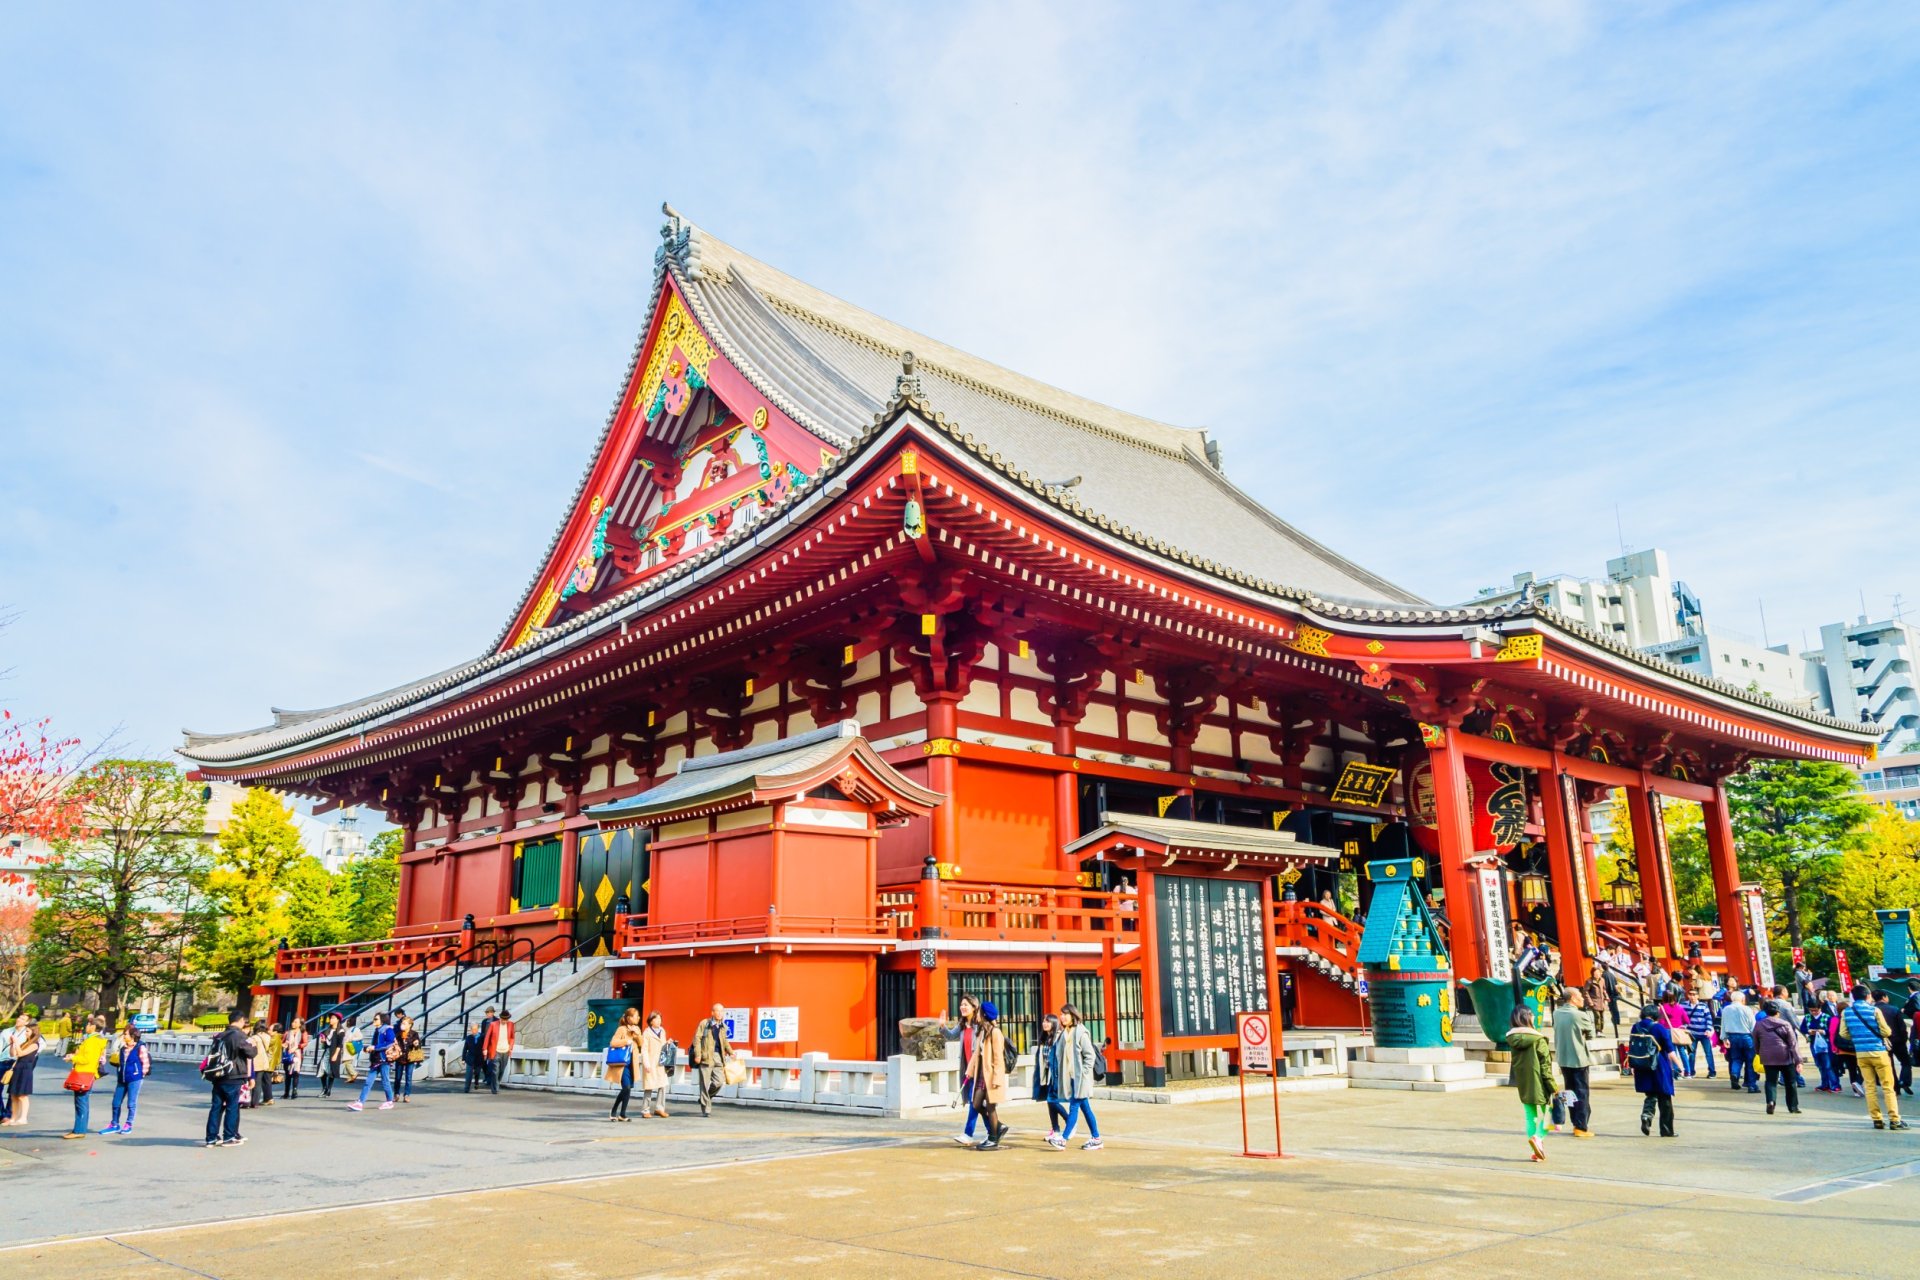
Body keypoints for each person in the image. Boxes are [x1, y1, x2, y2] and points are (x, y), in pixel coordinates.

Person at [1841, 985, 1906, 1130]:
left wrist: (1857, 1037)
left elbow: (1843, 1033)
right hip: (1878, 1052)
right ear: (1868, 996)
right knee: (1888, 1087)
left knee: (1870, 1087)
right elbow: (1886, 1031)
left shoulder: (1847, 1012)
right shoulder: (1874, 1010)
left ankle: (1877, 1119)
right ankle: (1894, 1120)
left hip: (1861, 1053)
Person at [1505, 1006, 1555, 1161]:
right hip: (1540, 1082)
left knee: (1530, 1116)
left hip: (1524, 1083)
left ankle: (1536, 1152)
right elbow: (1545, 1067)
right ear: (1527, 1017)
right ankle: (1538, 1138)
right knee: (1552, 1114)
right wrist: (1553, 1087)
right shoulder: (1538, 1039)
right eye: (1532, 1014)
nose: (1534, 1016)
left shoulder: (1512, 1039)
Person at [1050, 1003, 1102, 1151]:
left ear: (1073, 1015)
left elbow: (1090, 1056)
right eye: (1061, 1014)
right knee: (1086, 1108)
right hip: (1071, 1078)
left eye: (1065, 1014)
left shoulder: (1081, 1032)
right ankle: (1096, 1138)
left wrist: (1083, 1074)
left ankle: (1063, 1139)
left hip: (1080, 1079)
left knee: (1074, 1106)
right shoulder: (1065, 1033)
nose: (1062, 1017)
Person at [1628, 1002, 1681, 1138]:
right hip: (1659, 1065)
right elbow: (1670, 1050)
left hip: (1641, 1064)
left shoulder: (1635, 1027)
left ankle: (1646, 1116)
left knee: (1650, 1094)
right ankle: (1666, 1130)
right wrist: (1680, 1066)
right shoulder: (1659, 1028)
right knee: (1665, 1098)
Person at [206, 1011, 257, 1147]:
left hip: (218, 1074)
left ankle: (211, 1137)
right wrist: (253, 1045)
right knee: (232, 1106)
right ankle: (228, 1136)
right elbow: (251, 1053)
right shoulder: (239, 1035)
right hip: (234, 1074)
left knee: (216, 1107)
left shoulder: (220, 1035)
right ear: (240, 1021)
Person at [968, 1000, 1011, 1150]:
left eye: (979, 1012)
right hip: (982, 1075)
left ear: (984, 1014)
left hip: (992, 1076)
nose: (977, 1014)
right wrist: (970, 1071)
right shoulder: (982, 1031)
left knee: (991, 1107)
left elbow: (998, 1058)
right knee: (976, 1104)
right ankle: (998, 1126)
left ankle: (993, 1139)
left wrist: (997, 1079)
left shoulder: (995, 1032)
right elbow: (976, 1054)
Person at [1552, 988, 1594, 1138]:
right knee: (1582, 1092)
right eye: (1580, 996)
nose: (1583, 998)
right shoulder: (1580, 1015)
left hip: (1563, 1058)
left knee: (1569, 1091)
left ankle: (1575, 1122)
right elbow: (1591, 1034)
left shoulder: (1556, 1013)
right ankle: (1581, 1126)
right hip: (1578, 1058)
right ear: (1573, 998)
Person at [63, 1014, 110, 1140]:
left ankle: (79, 1130)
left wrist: (73, 1057)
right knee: (82, 1102)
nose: (86, 1026)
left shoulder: (92, 1041)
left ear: (93, 1026)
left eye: (88, 1024)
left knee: (81, 1102)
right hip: (87, 1072)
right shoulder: (95, 1040)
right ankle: (79, 1128)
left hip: (84, 1073)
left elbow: (87, 1059)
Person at [1754, 1000, 1803, 1116]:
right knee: (1790, 1082)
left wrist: (1759, 1052)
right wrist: (1798, 1060)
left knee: (1770, 1081)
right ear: (1778, 1012)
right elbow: (1793, 1044)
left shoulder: (1759, 1024)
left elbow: (1755, 1041)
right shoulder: (1785, 1024)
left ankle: (1771, 1101)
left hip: (1768, 1057)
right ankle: (1793, 1106)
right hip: (1785, 1056)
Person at [948, 995, 983, 1146]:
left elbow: (981, 1049)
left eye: (966, 1005)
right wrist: (942, 1026)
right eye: (961, 1004)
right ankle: (995, 1129)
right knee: (977, 1103)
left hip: (979, 1070)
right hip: (968, 1070)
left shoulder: (980, 1025)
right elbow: (951, 1036)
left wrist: (974, 1067)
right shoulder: (962, 1025)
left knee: (973, 1100)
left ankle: (968, 1134)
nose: (962, 1007)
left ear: (974, 1007)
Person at [103, 1024, 150, 1134]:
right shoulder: (123, 1048)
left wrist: (140, 1075)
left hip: (134, 1078)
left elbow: (145, 1063)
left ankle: (128, 1124)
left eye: (126, 1034)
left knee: (131, 1103)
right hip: (122, 1078)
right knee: (116, 1102)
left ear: (132, 1036)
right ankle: (114, 1123)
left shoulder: (140, 1048)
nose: (124, 1036)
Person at [691, 1003, 733, 1117]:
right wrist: (698, 1054)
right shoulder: (705, 1023)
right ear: (712, 1013)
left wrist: (731, 1052)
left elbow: (725, 1041)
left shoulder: (723, 1026)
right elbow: (697, 1039)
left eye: (721, 1011)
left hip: (718, 1057)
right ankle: (706, 1109)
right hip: (706, 1057)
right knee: (704, 1084)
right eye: (717, 1011)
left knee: (719, 1082)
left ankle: (705, 1098)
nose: (720, 1013)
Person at [350, 1012, 396, 1112]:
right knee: (368, 1081)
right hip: (375, 1059)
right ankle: (360, 1102)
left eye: (376, 1019)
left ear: (382, 1020)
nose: (373, 1021)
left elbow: (390, 1043)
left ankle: (389, 1101)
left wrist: (375, 1047)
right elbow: (375, 1044)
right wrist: (369, 1048)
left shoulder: (387, 1030)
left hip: (384, 1059)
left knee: (385, 1081)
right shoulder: (377, 1030)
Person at [1, 1013, 41, 1127]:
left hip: (25, 1069)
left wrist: (16, 1043)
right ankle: (13, 1118)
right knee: (13, 1094)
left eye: (28, 1031)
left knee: (22, 1095)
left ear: (33, 1032)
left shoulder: (34, 1044)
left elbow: (21, 1053)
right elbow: (13, 1054)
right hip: (17, 1067)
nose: (26, 1033)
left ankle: (23, 1118)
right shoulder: (24, 1042)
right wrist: (12, 1044)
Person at [1031, 1014, 1066, 1141]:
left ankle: (1069, 1121)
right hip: (1046, 1075)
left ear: (1054, 1023)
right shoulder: (1044, 1037)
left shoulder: (1059, 1037)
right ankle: (1055, 1129)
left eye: (1048, 1022)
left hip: (1055, 1074)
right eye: (1044, 1021)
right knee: (1049, 1102)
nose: (1044, 1024)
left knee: (1052, 1101)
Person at [1872, 990, 1913, 1096]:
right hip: (1898, 1041)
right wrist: (1904, 1039)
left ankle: (1895, 1088)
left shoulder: (1872, 1010)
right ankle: (1904, 1081)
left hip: (1882, 1042)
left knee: (1890, 1065)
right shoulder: (1894, 1009)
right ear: (1884, 997)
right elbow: (1902, 1027)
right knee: (1906, 1062)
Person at [1719, 990, 1759, 1094]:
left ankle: (1735, 1073)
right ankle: (1752, 1085)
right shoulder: (1747, 1009)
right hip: (1746, 1036)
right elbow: (1753, 1025)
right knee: (1750, 1061)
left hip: (1732, 1036)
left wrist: (1724, 1038)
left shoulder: (1726, 1009)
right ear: (1742, 999)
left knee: (1736, 1058)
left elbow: (1723, 1025)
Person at [607, 1007, 642, 1122]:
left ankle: (622, 1114)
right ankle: (614, 1110)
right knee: (626, 1087)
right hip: (622, 1064)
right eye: (635, 1016)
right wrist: (626, 1041)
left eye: (638, 1016)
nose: (638, 1018)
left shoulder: (637, 1029)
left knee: (628, 1089)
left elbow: (641, 1044)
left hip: (632, 1063)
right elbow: (613, 1043)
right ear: (629, 1018)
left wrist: (637, 1034)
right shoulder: (621, 1029)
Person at [639, 1011, 671, 1118]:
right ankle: (645, 1110)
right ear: (651, 1021)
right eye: (656, 1019)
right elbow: (644, 1049)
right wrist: (646, 1063)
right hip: (651, 1062)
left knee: (662, 1085)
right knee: (649, 1087)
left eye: (660, 1019)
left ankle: (660, 1108)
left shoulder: (662, 1031)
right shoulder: (647, 1033)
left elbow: (663, 1046)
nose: (659, 1021)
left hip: (661, 1063)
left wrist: (668, 1043)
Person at [1682, 991, 1717, 1079]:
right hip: (1692, 1034)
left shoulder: (1703, 1006)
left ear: (1698, 996)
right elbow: (1682, 1017)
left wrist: (1708, 1029)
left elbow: (1708, 1018)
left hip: (1704, 1033)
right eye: (1690, 994)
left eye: (1694, 995)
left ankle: (1712, 1071)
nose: (1692, 997)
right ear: (1688, 995)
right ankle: (1691, 1071)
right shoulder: (1684, 1005)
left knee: (1708, 1053)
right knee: (1691, 1053)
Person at [483, 1007, 516, 1093]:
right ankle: (495, 1089)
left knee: (501, 1070)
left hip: (506, 1051)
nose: (504, 1021)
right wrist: (485, 1048)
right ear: (500, 1018)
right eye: (503, 1019)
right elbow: (487, 1037)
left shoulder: (511, 1025)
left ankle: (497, 1083)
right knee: (495, 1070)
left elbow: (512, 1037)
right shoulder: (493, 1024)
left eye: (506, 1020)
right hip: (496, 1050)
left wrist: (510, 1047)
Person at [393, 1013, 422, 1102]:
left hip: (410, 1058)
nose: (402, 1025)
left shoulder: (414, 1034)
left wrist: (416, 1043)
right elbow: (395, 1044)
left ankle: (407, 1095)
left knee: (408, 1077)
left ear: (410, 1025)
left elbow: (418, 1044)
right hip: (400, 1058)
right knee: (398, 1078)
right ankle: (396, 1094)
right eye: (402, 1023)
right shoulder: (398, 1034)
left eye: (404, 1023)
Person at [316, 1014, 346, 1098]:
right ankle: (324, 1088)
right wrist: (323, 1040)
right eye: (330, 1018)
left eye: (333, 1018)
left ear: (337, 1020)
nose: (331, 1020)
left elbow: (340, 1045)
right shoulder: (328, 1030)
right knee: (322, 1069)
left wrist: (335, 1055)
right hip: (327, 1052)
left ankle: (328, 1090)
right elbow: (327, 1042)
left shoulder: (340, 1031)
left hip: (334, 1052)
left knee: (331, 1071)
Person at [282, 1017, 308, 1101]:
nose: (293, 1023)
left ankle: (294, 1091)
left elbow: (305, 1043)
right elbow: (282, 1042)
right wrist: (285, 1044)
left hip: (298, 1055)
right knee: (287, 1074)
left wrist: (297, 1047)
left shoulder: (303, 1033)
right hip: (288, 1054)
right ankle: (286, 1092)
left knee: (296, 1073)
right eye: (293, 1022)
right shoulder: (288, 1032)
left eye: (296, 1022)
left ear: (300, 1024)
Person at [462, 1022, 484, 1093]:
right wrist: (463, 1059)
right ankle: (466, 1088)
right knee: (469, 1074)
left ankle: (476, 1082)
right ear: (471, 1030)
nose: (474, 1031)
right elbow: (465, 1049)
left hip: (479, 1058)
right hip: (470, 1059)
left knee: (477, 1073)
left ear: (478, 1029)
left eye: (475, 1029)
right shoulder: (468, 1038)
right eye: (473, 1029)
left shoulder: (482, 1037)